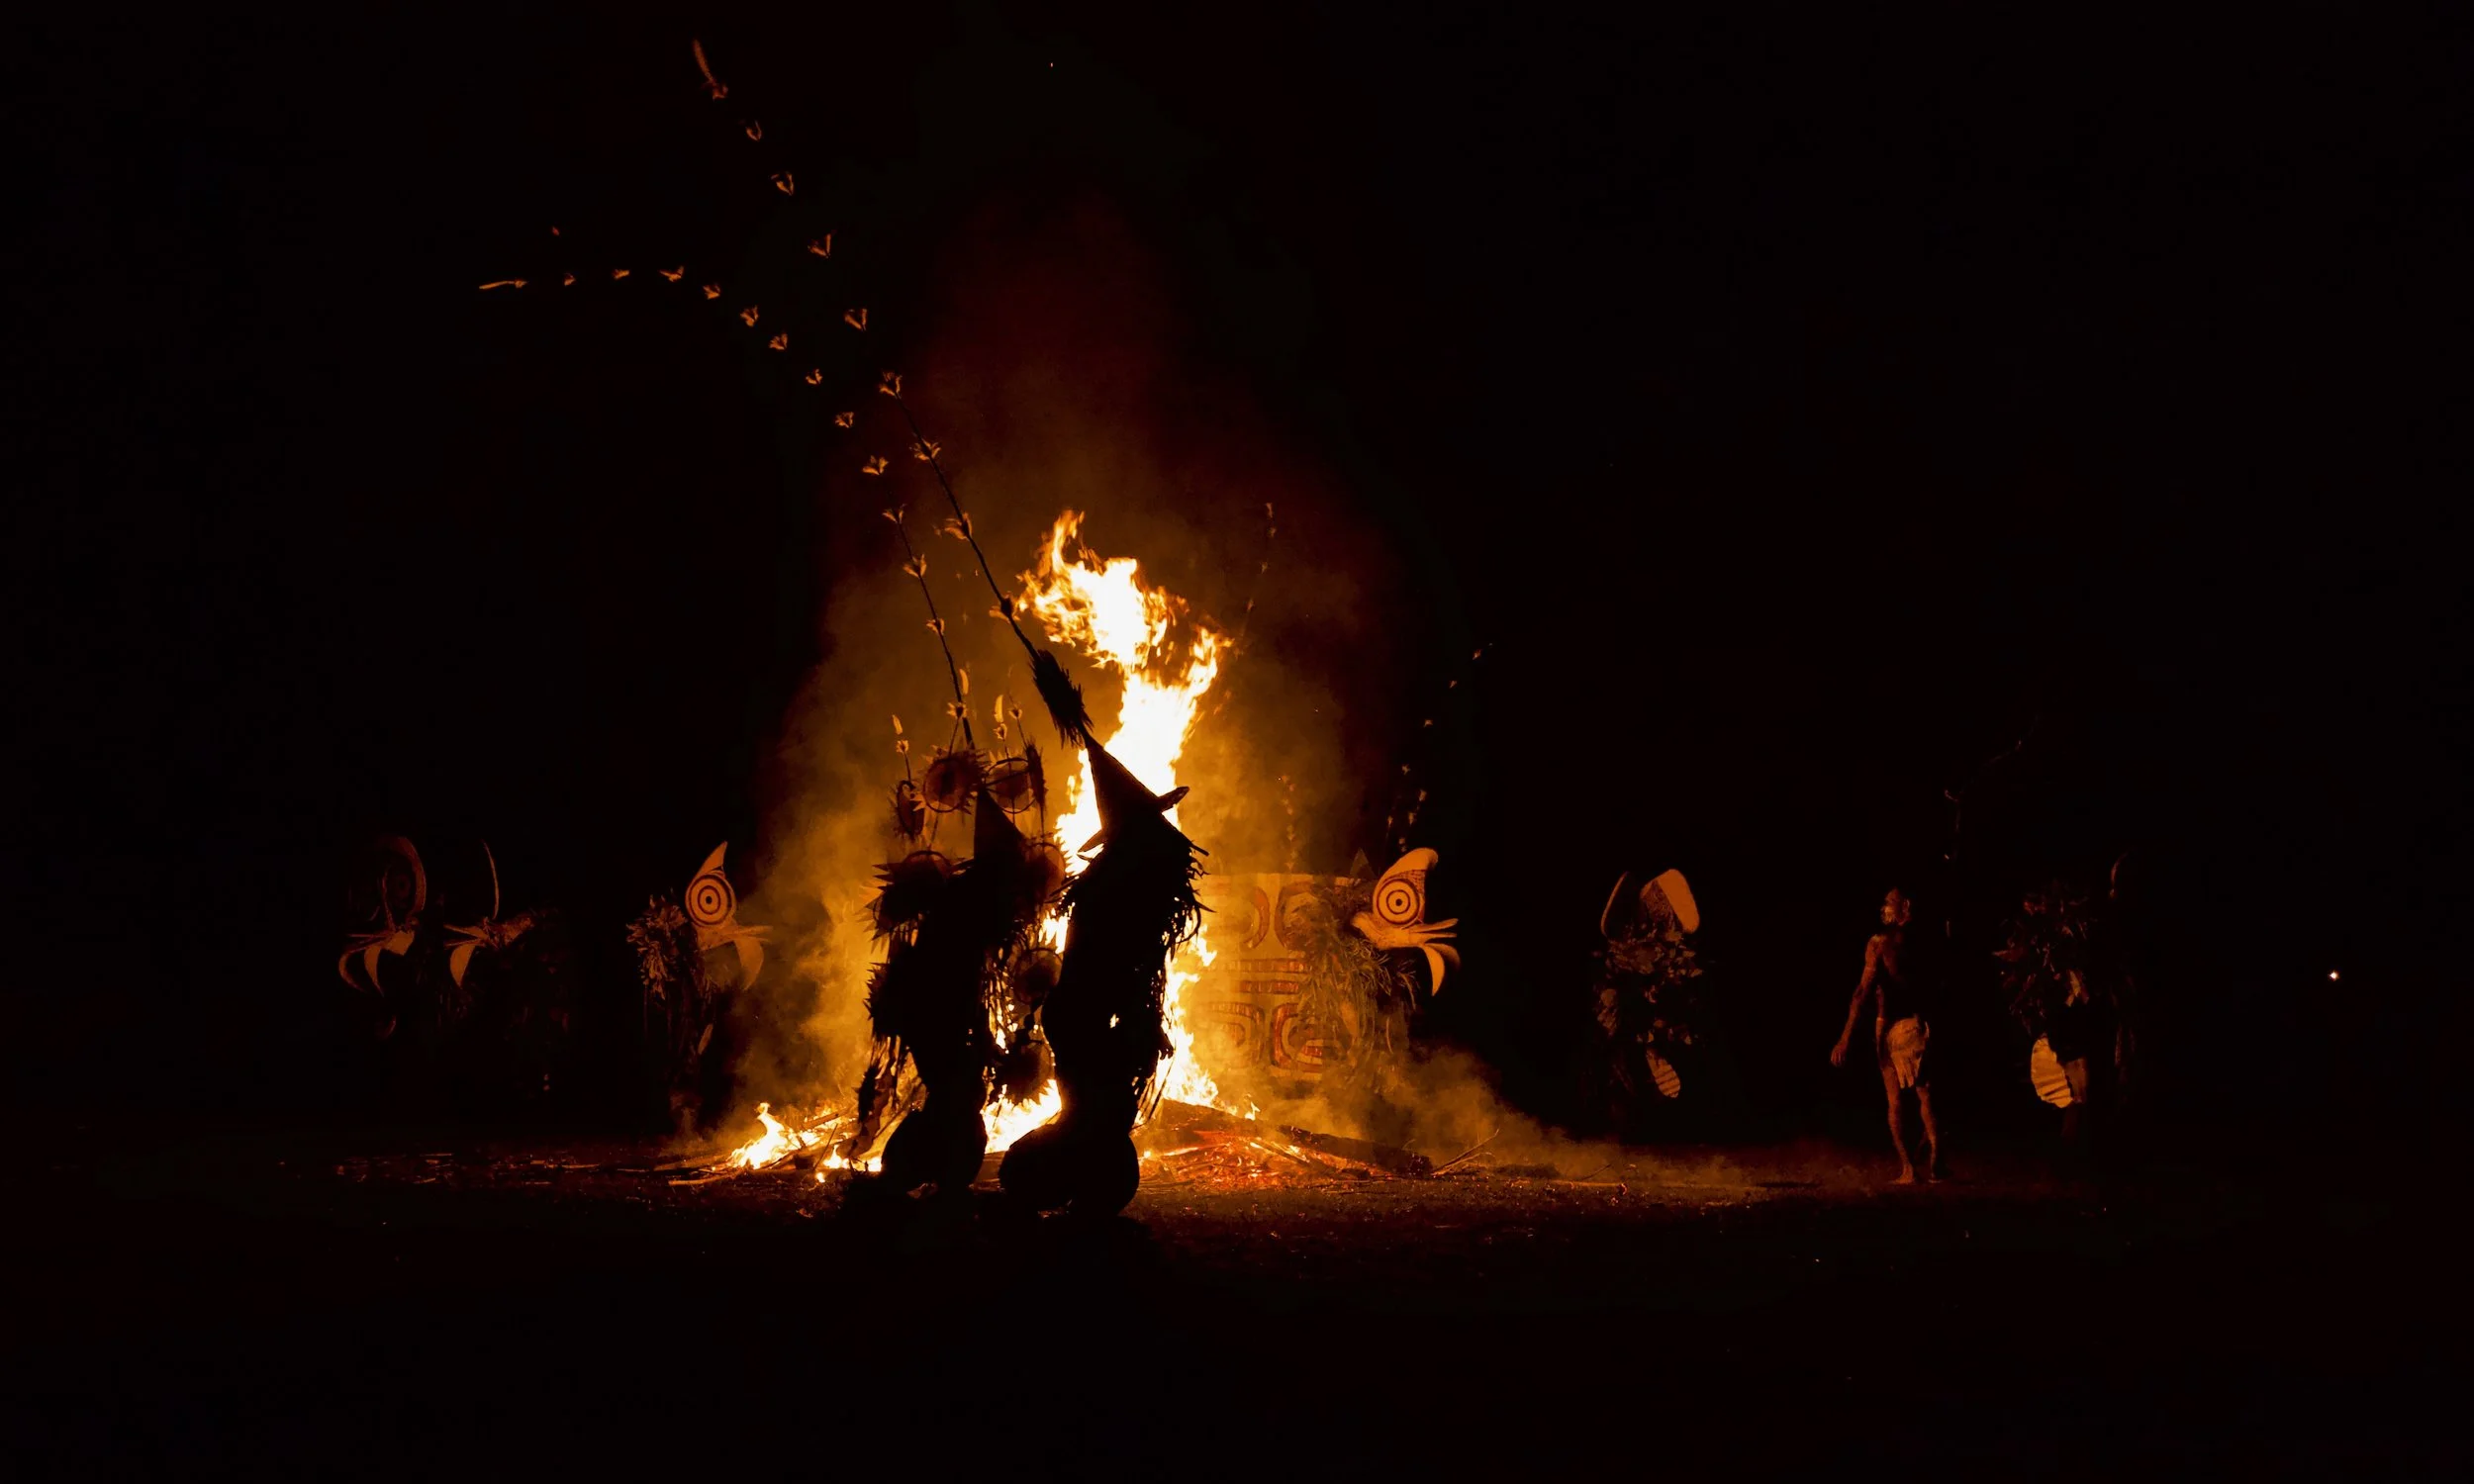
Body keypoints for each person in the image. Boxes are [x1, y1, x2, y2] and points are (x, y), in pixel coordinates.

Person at [1833, 887, 1943, 1182]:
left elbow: (1861, 992)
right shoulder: (1925, 941)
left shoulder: (1879, 944)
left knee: (1894, 1098)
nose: (1883, 908)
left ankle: (1908, 1168)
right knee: (1925, 1093)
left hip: (1892, 1025)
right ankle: (1936, 1159)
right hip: (1921, 1025)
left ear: (1903, 906)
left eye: (1888, 903)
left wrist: (1845, 1037)